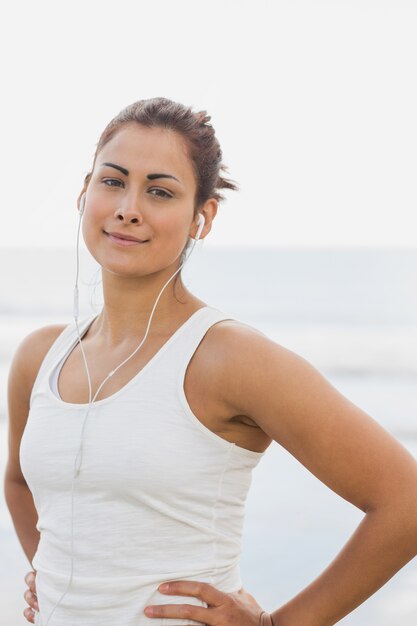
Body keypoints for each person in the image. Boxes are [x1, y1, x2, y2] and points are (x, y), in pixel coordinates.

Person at [5, 97, 417, 626]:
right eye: (113, 181)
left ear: (203, 217)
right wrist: (56, 571)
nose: (129, 207)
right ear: (84, 192)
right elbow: (19, 482)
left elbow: (405, 502)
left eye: (160, 191)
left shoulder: (230, 359)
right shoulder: (41, 356)